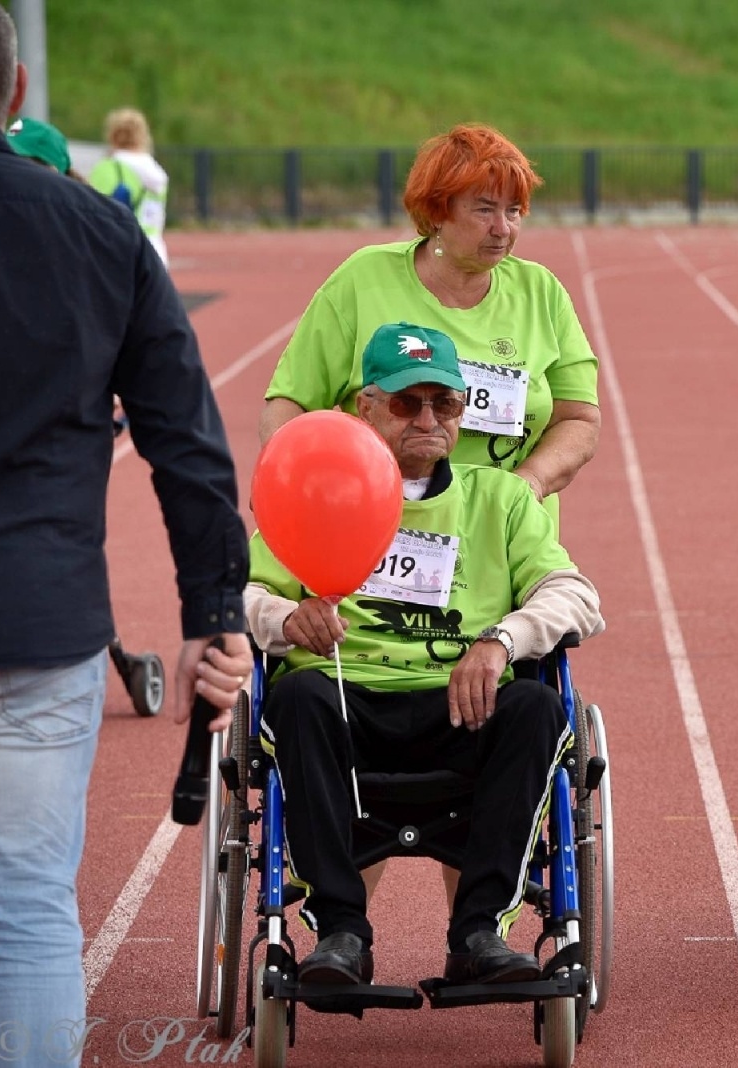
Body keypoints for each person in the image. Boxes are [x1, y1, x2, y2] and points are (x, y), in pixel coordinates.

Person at [0, 5, 251, 1066]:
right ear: (17, 93)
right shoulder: (100, 232)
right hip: (38, 625)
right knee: (26, 914)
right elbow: (186, 442)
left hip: (38, 622)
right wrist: (214, 614)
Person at [244, 322, 604, 986]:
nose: (430, 420)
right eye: (408, 403)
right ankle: (341, 932)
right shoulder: (318, 491)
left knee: (535, 706)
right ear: (367, 407)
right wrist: (286, 618)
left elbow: (576, 596)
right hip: (344, 702)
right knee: (295, 696)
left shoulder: (500, 499)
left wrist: (501, 641)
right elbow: (241, 594)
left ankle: (479, 933)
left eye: (446, 403)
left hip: (462, 708)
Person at [259, 122, 600, 529]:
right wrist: (287, 480)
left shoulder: (541, 292)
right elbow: (290, 402)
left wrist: (529, 484)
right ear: (438, 211)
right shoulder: (363, 281)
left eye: (513, 211)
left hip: (506, 531)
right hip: (384, 526)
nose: (502, 228)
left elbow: (579, 418)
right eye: (484, 209)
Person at [86, 107, 169, 266]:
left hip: (120, 249)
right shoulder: (156, 171)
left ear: (112, 134)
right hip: (155, 249)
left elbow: (91, 211)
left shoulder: (109, 168)